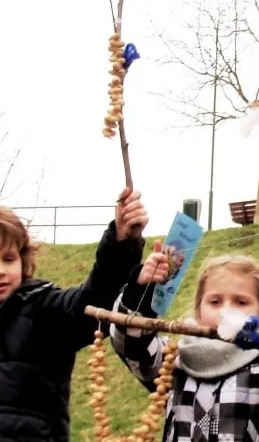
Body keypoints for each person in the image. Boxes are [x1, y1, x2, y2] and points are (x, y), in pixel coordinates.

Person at [110, 214, 259, 441]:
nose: (226, 312)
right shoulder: (175, 363)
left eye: (241, 302)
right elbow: (131, 345)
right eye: (215, 302)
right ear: (199, 312)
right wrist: (140, 292)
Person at [0, 188, 148, 441]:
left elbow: (92, 302)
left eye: (8, 259)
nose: (1, 271)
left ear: (23, 262)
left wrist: (121, 244)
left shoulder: (43, 308)